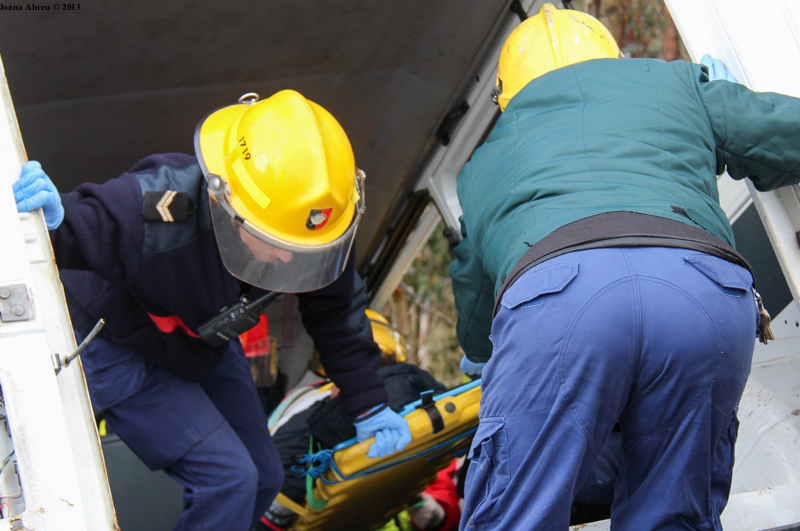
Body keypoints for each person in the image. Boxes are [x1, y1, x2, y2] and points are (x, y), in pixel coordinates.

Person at [449, 4, 800, 530]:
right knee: (674, 516)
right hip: (701, 291)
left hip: (558, 307)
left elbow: (476, 296)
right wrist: (718, 107)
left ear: (507, 96)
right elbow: (783, 134)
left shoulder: (480, 166)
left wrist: (483, 356)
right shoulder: (676, 84)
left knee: (515, 516)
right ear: (616, 58)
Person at [12, 90, 412, 531]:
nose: (288, 259)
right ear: (229, 203)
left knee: (266, 477)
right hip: (115, 343)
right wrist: (54, 220)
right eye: (276, 242)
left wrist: (368, 403)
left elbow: (336, 312)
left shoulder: (313, 230)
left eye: (302, 249)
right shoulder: (163, 207)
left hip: (198, 342)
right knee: (229, 481)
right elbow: (88, 223)